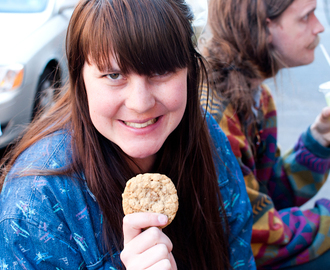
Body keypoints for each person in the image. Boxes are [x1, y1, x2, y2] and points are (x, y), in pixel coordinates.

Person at [0, 0, 255, 269]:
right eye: (114, 75)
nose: (140, 103)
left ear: (190, 72)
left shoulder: (209, 142)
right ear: (80, 79)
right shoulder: (35, 206)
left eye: (160, 71)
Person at [200, 0, 330, 269]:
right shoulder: (212, 116)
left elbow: (268, 193)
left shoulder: (258, 99)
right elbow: (256, 234)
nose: (319, 28)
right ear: (262, 26)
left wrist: (319, 141)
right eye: (306, 17)